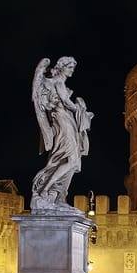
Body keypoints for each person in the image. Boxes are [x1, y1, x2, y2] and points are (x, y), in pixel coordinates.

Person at [30, 57, 93, 213]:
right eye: (70, 66)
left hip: (68, 122)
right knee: (71, 160)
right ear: (62, 67)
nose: (72, 70)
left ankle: (59, 196)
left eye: (73, 67)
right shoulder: (56, 83)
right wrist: (81, 109)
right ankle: (45, 189)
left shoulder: (60, 84)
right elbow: (66, 102)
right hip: (63, 123)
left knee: (70, 160)